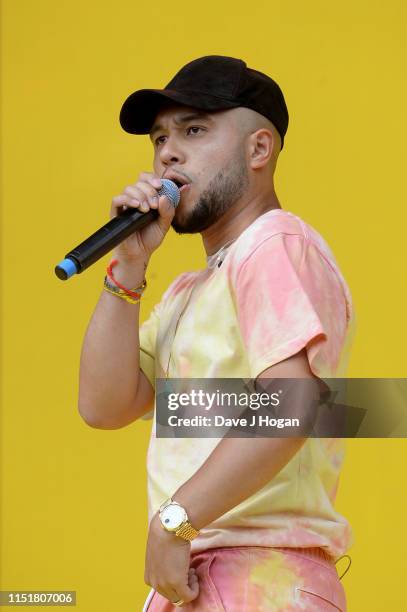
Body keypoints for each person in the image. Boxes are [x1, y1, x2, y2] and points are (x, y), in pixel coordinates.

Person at [78, 56, 355, 611]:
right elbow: (105, 405)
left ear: (259, 150)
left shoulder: (271, 243)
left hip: (254, 575)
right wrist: (127, 268)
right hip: (209, 578)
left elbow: (291, 404)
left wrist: (176, 521)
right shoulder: (192, 289)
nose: (167, 152)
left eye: (194, 130)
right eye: (159, 138)